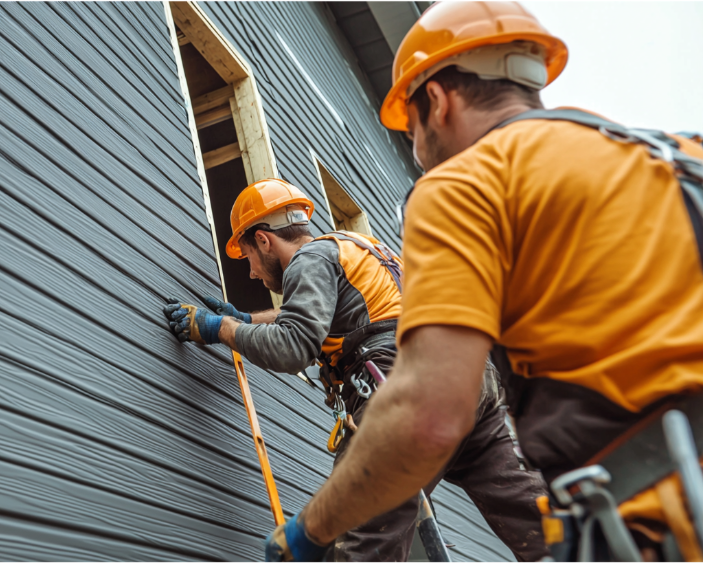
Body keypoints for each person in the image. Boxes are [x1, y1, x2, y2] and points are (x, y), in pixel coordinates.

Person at [259, 2, 703, 562]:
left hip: (660, 519)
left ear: (438, 103)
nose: (419, 154)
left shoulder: (466, 182)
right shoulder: (679, 157)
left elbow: (427, 416)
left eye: (413, 131)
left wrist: (309, 530)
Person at [163, 178, 548, 562]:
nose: (250, 273)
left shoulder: (308, 260)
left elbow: (294, 347)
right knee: (531, 515)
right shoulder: (351, 248)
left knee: (358, 535)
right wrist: (248, 319)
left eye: (246, 256)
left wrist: (222, 329)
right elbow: (313, 313)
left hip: (407, 382)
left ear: (263, 240)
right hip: (470, 374)